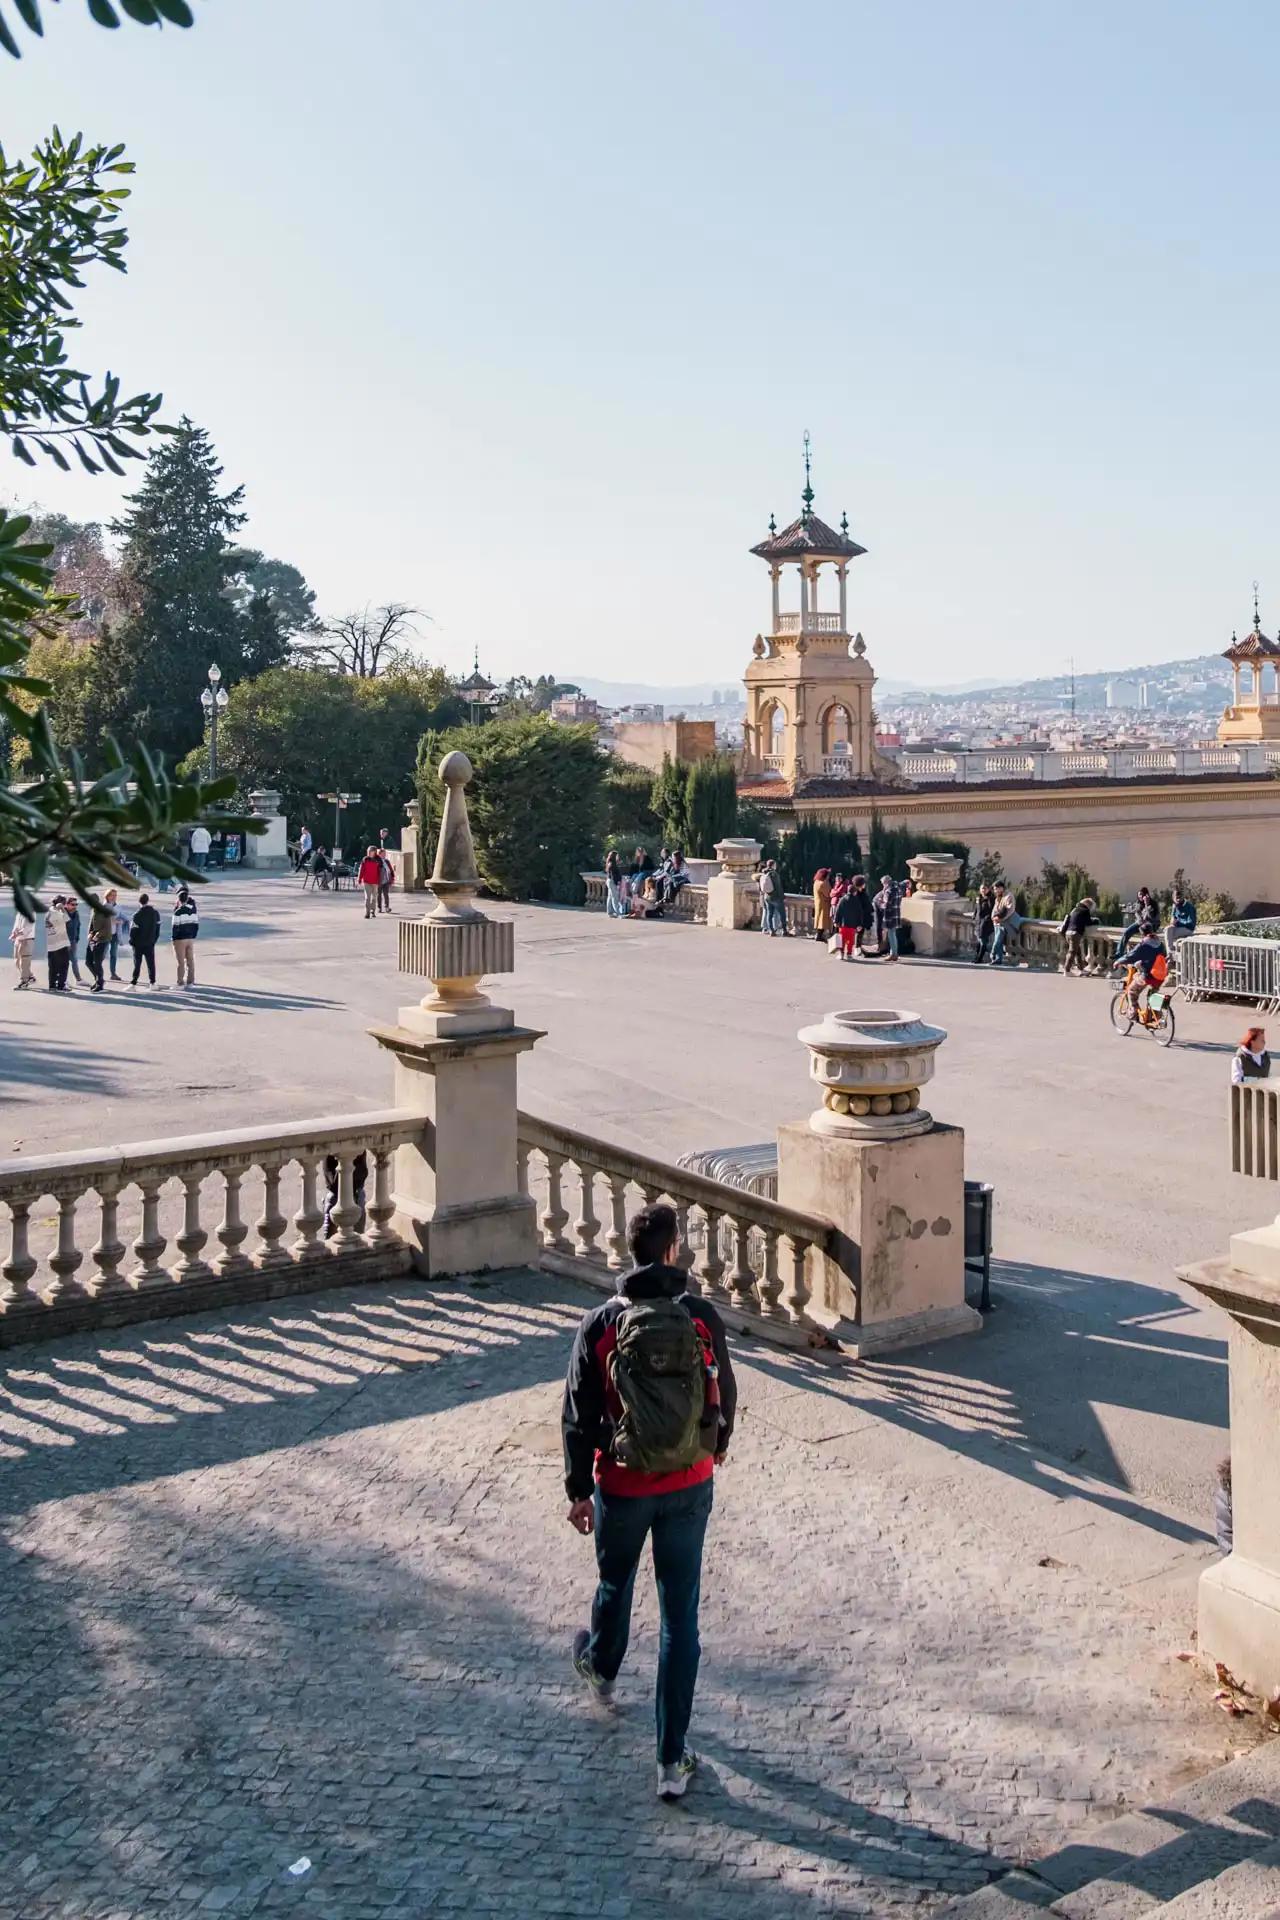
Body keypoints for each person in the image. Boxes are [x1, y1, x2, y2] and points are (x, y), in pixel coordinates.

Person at [562, 1201, 737, 1802]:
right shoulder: (699, 1316)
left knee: (615, 1582)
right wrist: (712, 1453)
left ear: (630, 1252)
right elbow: (725, 1395)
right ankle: (670, 1759)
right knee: (679, 1617)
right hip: (688, 1483)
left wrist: (578, 1489)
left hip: (623, 1483)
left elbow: (578, 1413)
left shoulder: (602, 1323)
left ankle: (603, 1672)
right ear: (671, 1252)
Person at [1117, 925, 1167, 1017]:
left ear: (1142, 933)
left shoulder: (1144, 944)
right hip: (1161, 975)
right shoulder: (1160, 943)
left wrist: (1118, 961)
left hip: (1148, 975)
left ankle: (1134, 1011)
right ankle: (1156, 1014)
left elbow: (1132, 956)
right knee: (1153, 994)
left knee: (1131, 990)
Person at [322, 1151, 368, 1237]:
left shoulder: (359, 1149)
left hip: (356, 1194)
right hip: (336, 1197)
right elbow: (332, 1183)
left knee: (358, 1237)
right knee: (331, 1239)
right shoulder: (330, 1152)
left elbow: (363, 1173)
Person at [128, 892, 160, 987]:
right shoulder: (155, 913)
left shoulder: (137, 915)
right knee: (151, 963)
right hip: (150, 942)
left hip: (138, 944)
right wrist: (154, 940)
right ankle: (152, 982)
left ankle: (134, 981)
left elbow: (133, 930)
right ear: (148, 901)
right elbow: (158, 927)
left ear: (139, 902)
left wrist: (132, 941)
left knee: (137, 963)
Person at [1116, 886, 1157, 960]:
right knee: (1127, 932)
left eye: (1141, 894)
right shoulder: (1138, 904)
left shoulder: (1153, 903)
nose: (1140, 896)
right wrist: (1140, 919)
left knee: (1146, 939)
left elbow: (1151, 917)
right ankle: (1119, 953)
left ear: (1146, 894)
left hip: (1150, 924)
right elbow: (1137, 914)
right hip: (1140, 923)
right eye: (1139, 895)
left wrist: (1146, 904)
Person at [171, 886, 200, 987]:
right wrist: (193, 935)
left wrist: (173, 939)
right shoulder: (193, 909)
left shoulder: (178, 912)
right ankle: (190, 981)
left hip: (180, 939)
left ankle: (180, 982)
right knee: (190, 960)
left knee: (180, 962)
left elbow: (175, 927)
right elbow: (196, 925)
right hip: (190, 938)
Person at [1061, 897, 1095, 975]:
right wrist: (1095, 920)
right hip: (1075, 933)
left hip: (1068, 933)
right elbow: (1088, 922)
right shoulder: (1085, 910)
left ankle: (1081, 969)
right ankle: (1067, 970)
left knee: (1077, 952)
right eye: (1091, 906)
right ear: (1088, 905)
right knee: (1072, 952)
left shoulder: (1074, 910)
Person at [86, 899, 114, 993]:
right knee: (88, 962)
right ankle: (98, 979)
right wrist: (90, 933)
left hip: (102, 940)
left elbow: (107, 928)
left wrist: (96, 936)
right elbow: (92, 925)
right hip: (93, 939)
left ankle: (100, 984)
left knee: (97, 962)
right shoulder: (93, 910)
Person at [44, 897, 71, 992]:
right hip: (61, 943)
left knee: (53, 966)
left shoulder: (48, 913)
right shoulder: (57, 912)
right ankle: (61, 985)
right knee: (64, 965)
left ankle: (52, 986)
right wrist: (62, 909)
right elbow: (67, 919)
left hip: (51, 944)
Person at [833, 879, 864, 959]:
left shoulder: (842, 899)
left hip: (843, 924)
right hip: (852, 925)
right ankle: (849, 954)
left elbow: (838, 911)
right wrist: (860, 924)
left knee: (842, 940)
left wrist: (836, 921)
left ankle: (841, 954)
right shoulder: (856, 901)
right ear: (854, 892)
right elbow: (859, 913)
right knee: (850, 941)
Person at [990, 888, 1020, 966]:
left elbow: (1009, 910)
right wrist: (993, 917)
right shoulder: (998, 897)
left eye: (996, 889)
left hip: (1003, 922)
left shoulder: (1008, 896)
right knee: (998, 942)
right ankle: (998, 959)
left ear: (1001, 888)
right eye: (994, 889)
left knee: (997, 940)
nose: (995, 891)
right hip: (996, 922)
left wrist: (1000, 919)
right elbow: (995, 909)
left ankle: (992, 953)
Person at [875, 873, 902, 960]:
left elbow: (885, 906)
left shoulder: (888, 891)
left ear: (886, 882)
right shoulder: (898, 889)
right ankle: (893, 952)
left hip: (890, 916)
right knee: (893, 934)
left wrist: (879, 901)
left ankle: (893, 953)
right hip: (896, 914)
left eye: (883, 884)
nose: (883, 886)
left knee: (891, 934)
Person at [105, 889, 129, 982]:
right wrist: (117, 921)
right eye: (112, 895)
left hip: (115, 933)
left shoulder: (118, 906)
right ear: (107, 896)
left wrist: (128, 920)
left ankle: (113, 973)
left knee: (113, 955)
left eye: (115, 895)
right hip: (105, 933)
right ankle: (98, 972)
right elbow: (105, 919)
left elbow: (122, 915)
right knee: (102, 954)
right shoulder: (104, 906)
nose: (114, 897)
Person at [758, 859, 785, 936]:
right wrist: (781, 896)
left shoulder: (764, 873)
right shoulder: (774, 874)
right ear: (773, 865)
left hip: (767, 896)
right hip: (776, 897)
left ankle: (771, 930)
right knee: (782, 914)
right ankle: (784, 930)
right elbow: (778, 886)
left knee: (769, 914)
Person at [9, 909, 35, 989]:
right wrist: (14, 933)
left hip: (27, 939)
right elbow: (16, 924)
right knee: (17, 961)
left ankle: (24, 982)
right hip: (18, 939)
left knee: (24, 961)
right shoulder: (20, 912)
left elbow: (28, 927)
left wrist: (17, 934)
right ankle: (30, 977)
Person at [972, 884, 996, 965]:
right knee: (979, 941)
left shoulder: (991, 899)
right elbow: (977, 909)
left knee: (983, 941)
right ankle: (977, 957)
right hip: (978, 922)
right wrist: (974, 916)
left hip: (986, 923)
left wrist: (987, 919)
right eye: (982, 888)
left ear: (988, 889)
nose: (983, 890)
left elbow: (991, 909)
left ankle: (979, 958)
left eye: (985, 888)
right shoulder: (979, 898)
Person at [63, 896, 84, 985]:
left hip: (73, 941)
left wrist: (77, 938)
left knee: (74, 960)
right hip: (64, 942)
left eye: (76, 904)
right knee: (64, 961)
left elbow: (78, 926)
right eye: (73, 904)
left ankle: (78, 979)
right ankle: (63, 980)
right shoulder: (63, 914)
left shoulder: (76, 914)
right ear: (67, 905)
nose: (75, 906)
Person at [357, 846, 383, 919]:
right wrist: (359, 879)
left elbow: (381, 871)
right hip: (367, 881)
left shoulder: (378, 860)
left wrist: (380, 881)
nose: (370, 853)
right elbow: (361, 869)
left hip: (375, 881)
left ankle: (373, 910)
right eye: (369, 851)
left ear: (374, 852)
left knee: (374, 898)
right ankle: (367, 912)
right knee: (367, 898)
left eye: (371, 851)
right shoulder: (365, 859)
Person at [812, 868, 833, 942]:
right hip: (824, 903)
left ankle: (818, 935)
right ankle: (819, 936)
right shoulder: (823, 884)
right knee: (823, 920)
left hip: (818, 903)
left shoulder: (816, 882)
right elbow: (828, 894)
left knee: (819, 919)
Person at [377, 848, 395, 914]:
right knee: (379, 895)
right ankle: (379, 908)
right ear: (379, 854)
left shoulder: (387, 861)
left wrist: (392, 878)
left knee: (386, 895)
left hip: (386, 880)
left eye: (385, 853)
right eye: (383, 853)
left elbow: (390, 869)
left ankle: (387, 907)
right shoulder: (377, 861)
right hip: (379, 881)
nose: (384, 855)